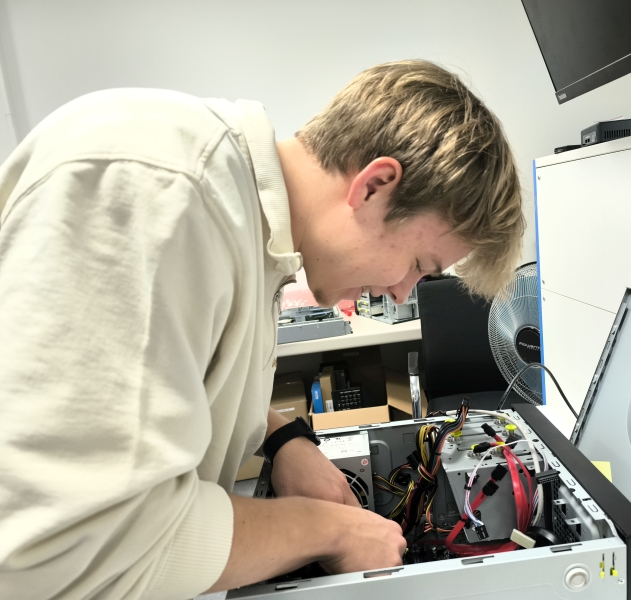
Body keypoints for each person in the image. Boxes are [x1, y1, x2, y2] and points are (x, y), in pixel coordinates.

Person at [0, 60, 524, 599]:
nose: (400, 293)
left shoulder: (247, 227)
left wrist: (283, 437)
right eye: (418, 264)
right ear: (374, 186)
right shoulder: (162, 193)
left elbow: (167, 383)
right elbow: (79, 543)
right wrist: (329, 530)